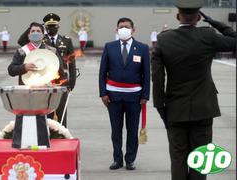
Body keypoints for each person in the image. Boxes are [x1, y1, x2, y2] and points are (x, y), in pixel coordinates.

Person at [151, 0, 236, 180]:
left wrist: (161, 110)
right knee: (200, 160)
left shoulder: (163, 40)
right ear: (198, 17)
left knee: (178, 159)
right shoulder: (208, 36)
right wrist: (214, 21)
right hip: (203, 109)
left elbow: (157, 80)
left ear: (177, 16)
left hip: (175, 110)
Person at [99, 17, 150, 171]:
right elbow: (102, 73)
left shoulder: (142, 48)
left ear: (133, 30)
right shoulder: (110, 47)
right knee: (116, 130)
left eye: (127, 27)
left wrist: (145, 96)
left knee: (132, 130)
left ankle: (130, 159)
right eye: (121, 27)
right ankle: (117, 159)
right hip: (113, 96)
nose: (123, 29)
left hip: (134, 97)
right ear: (116, 30)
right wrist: (103, 93)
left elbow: (146, 74)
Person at [41, 13, 77, 128]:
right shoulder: (42, 41)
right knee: (46, 111)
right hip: (46, 81)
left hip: (62, 82)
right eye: (49, 26)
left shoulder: (66, 41)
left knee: (61, 112)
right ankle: (47, 137)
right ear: (45, 27)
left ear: (58, 27)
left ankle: (62, 137)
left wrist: (72, 82)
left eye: (54, 26)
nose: (52, 28)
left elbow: (71, 63)